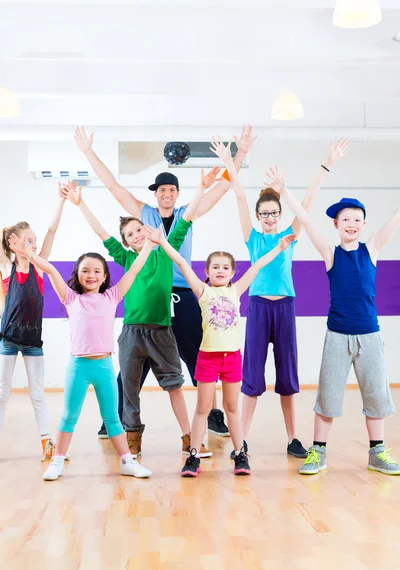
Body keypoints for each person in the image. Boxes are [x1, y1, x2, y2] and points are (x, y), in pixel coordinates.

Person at [73, 125, 257, 437]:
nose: (166, 194)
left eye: (171, 190)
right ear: (156, 195)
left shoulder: (188, 213)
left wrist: (240, 153)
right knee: (136, 361)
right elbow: (113, 185)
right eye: (161, 190)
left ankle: (211, 414)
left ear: (177, 194)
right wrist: (88, 151)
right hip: (150, 297)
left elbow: (222, 188)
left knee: (197, 353)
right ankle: (114, 417)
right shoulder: (143, 214)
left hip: (184, 293)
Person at [145, 139, 297, 477]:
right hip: (208, 357)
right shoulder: (200, 291)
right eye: (214, 267)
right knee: (202, 410)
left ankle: (241, 453)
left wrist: (282, 245)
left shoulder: (239, 289)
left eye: (225, 268)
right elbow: (180, 262)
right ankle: (194, 455)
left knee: (232, 409)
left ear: (231, 273)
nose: (219, 271)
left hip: (232, 358)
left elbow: (258, 265)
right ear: (208, 273)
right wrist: (162, 243)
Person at [65, 174, 217, 458]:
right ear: (126, 242)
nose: (136, 235)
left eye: (139, 230)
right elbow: (100, 232)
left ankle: (189, 438)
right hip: (132, 333)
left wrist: (201, 188)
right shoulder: (126, 259)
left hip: (162, 331)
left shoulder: (166, 254)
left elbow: (186, 220)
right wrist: (80, 203)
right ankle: (133, 436)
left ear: (148, 229)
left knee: (174, 386)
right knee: (130, 389)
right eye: (130, 235)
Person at [266, 165, 400, 476]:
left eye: (357, 219)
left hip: (370, 336)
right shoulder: (330, 252)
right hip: (338, 337)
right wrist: (284, 191)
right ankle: (319, 452)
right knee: (327, 396)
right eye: (345, 219)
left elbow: (394, 221)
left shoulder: (373, 250)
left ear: (364, 224)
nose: (351, 224)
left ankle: (377, 452)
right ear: (336, 224)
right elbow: (307, 221)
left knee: (376, 397)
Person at [233, 138, 348, 459]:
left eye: (274, 213)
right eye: (265, 213)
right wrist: (233, 162)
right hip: (257, 307)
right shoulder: (252, 237)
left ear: (281, 214)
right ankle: (241, 441)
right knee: (252, 376)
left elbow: (309, 199)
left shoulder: (290, 235)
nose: (270, 217)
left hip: (284, 307)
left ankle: (293, 438)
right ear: (257, 216)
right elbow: (240, 197)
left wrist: (328, 162)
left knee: (287, 376)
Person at [9, 229, 153, 481]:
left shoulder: (112, 296)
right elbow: (52, 270)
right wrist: (29, 255)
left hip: (105, 367)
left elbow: (133, 271)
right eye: (85, 270)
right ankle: (57, 461)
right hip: (79, 367)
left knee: (111, 417)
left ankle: (127, 461)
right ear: (77, 274)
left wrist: (150, 246)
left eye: (97, 271)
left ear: (105, 276)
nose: (91, 275)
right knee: (69, 416)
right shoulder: (70, 298)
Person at [0, 190, 66, 460]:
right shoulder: (6, 267)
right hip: (8, 338)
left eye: (35, 240)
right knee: (2, 392)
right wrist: (9, 244)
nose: (35, 244)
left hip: (32, 341)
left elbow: (51, 230)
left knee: (37, 393)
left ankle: (46, 443)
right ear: (15, 243)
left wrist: (60, 200)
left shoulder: (40, 267)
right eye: (29, 240)